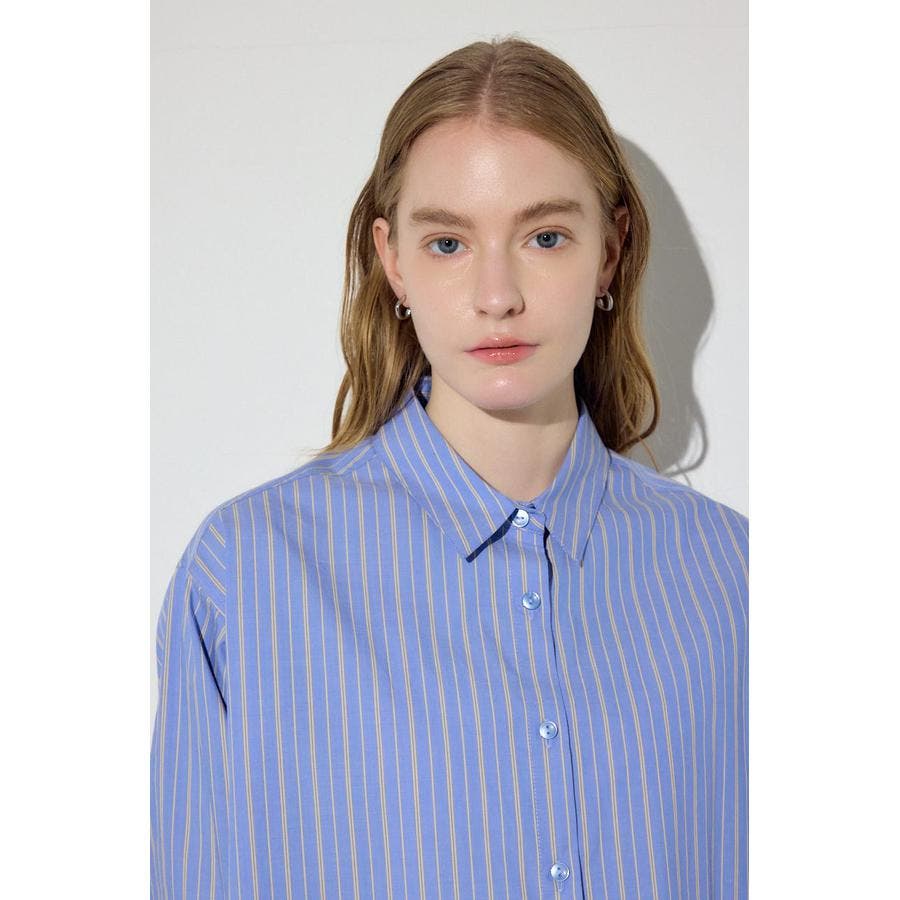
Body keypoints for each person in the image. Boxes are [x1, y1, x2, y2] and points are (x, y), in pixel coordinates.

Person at [151, 35, 748, 900]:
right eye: (447, 244)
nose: (497, 295)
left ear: (610, 251)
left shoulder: (734, 578)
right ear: (392, 259)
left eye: (545, 236)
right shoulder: (246, 576)